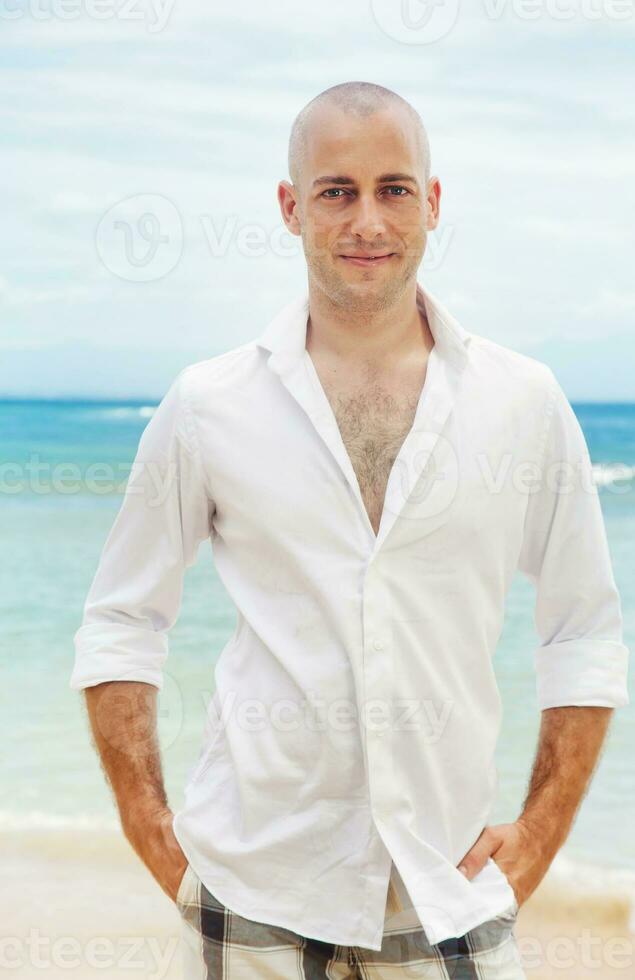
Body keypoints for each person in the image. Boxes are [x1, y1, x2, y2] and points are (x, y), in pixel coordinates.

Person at [70, 81, 630, 979]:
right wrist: (150, 827)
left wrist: (536, 838)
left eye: (393, 188)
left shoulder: (522, 403)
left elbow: (583, 629)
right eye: (336, 190)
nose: (366, 219)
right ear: (291, 208)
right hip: (249, 895)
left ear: (432, 203)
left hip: (451, 892)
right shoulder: (210, 405)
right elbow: (121, 621)